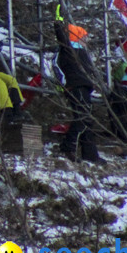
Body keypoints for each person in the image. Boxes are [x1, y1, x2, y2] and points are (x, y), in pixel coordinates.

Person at [52, 12, 101, 163]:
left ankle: (90, 155)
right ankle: (68, 147)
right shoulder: (69, 48)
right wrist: (58, 23)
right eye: (83, 37)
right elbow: (61, 36)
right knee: (82, 117)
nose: (86, 40)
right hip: (76, 86)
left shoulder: (80, 51)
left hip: (83, 87)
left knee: (87, 120)